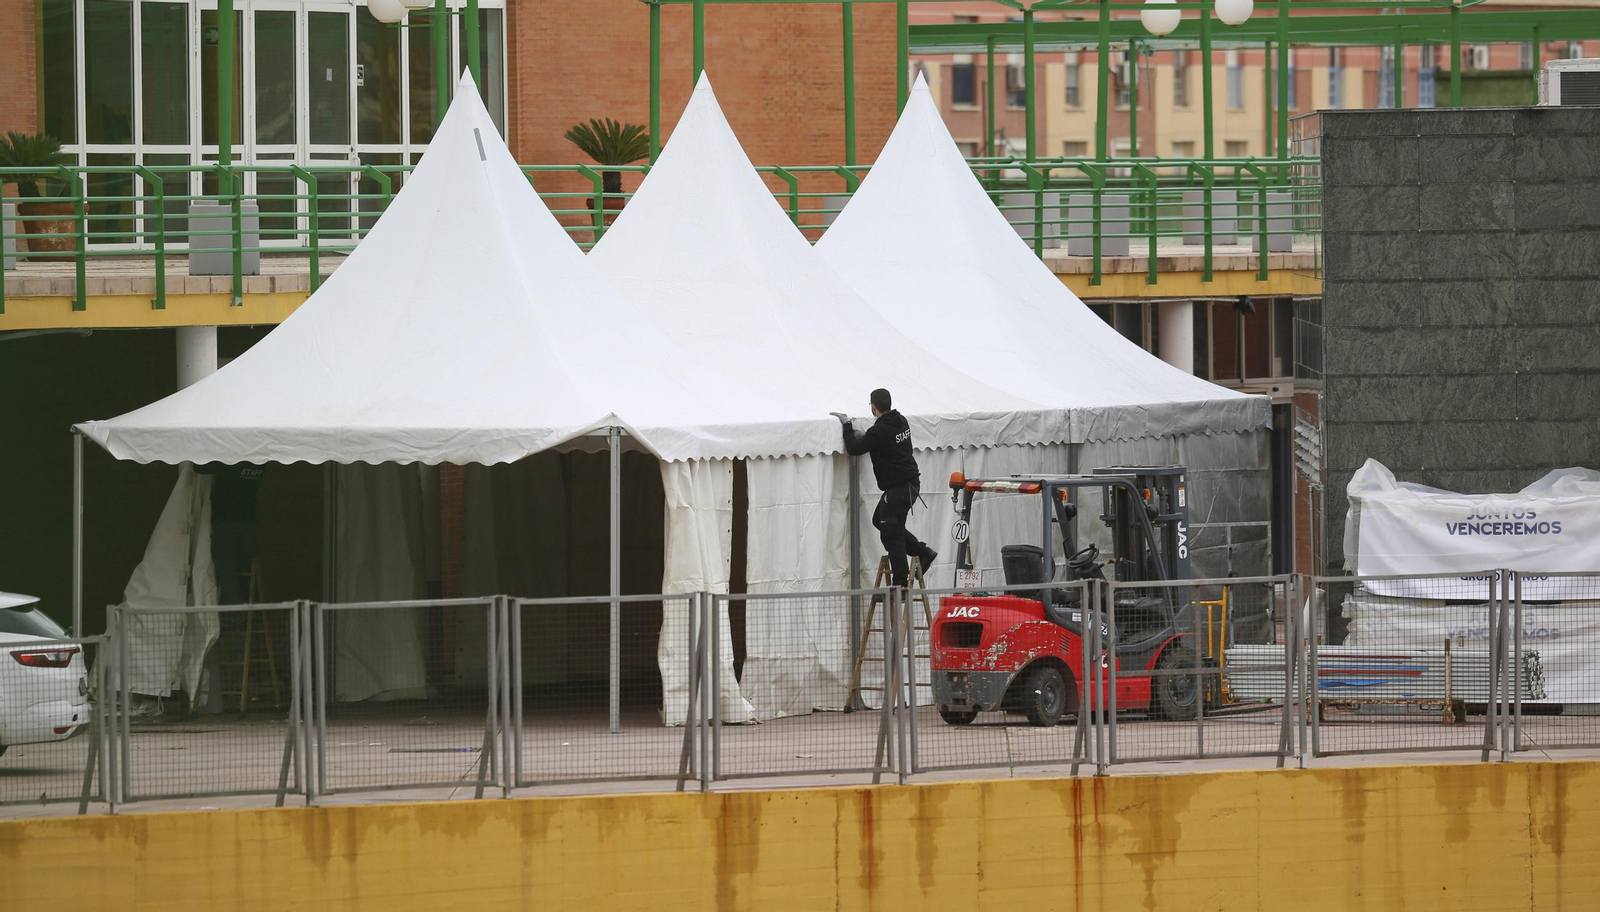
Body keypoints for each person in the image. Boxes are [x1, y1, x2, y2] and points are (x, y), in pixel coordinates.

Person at [834, 389, 937, 588]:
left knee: (891, 536)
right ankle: (922, 552)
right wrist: (866, 437)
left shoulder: (879, 430)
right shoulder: (901, 421)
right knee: (880, 521)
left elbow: (854, 449)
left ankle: (900, 584)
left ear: (873, 407)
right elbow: (883, 442)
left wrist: (847, 426)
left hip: (898, 489)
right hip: (911, 484)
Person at [196, 462, 267, 605]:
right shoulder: (260, 464)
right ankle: (250, 609)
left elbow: (200, 467)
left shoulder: (231, 461)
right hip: (248, 522)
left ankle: (234, 611)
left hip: (225, 521)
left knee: (226, 568)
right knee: (244, 568)